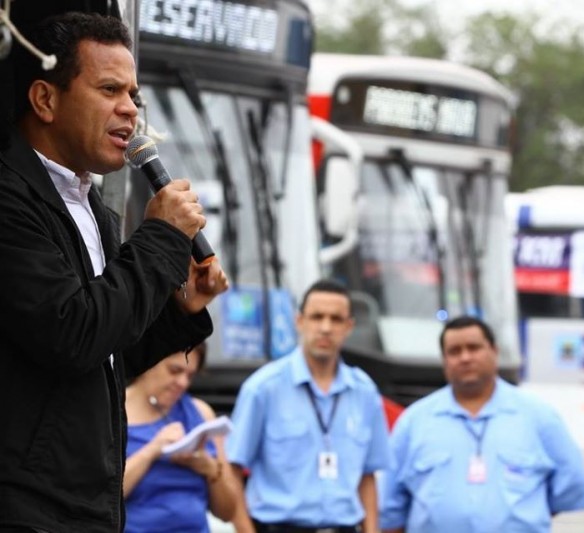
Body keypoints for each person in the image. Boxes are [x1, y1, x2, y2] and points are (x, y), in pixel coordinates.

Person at [0, 12, 228, 532]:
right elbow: (71, 333)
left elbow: (107, 355)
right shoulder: (11, 198)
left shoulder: (92, 206)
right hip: (26, 507)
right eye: (109, 90)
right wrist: (164, 238)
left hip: (88, 503)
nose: (130, 111)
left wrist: (178, 309)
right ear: (45, 99)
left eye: (134, 96)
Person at [381, 315, 584, 533]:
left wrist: (523, 517)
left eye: (474, 348)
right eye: (454, 351)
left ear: (494, 351)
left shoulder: (538, 417)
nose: (465, 358)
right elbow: (390, 506)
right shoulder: (415, 421)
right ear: (444, 360)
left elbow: (570, 485)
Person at [226, 279, 391, 533]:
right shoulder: (263, 388)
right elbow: (231, 470)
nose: (325, 328)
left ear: (349, 327)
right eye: (317, 317)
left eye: (336, 319)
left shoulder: (365, 392)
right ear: (299, 321)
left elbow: (368, 477)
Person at [124, 342, 241, 532]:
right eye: (174, 370)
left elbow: (227, 512)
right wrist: (152, 450)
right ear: (147, 363)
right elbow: (100, 498)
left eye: (190, 375)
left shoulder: (200, 413)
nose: (183, 383)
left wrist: (211, 470)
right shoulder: (113, 414)